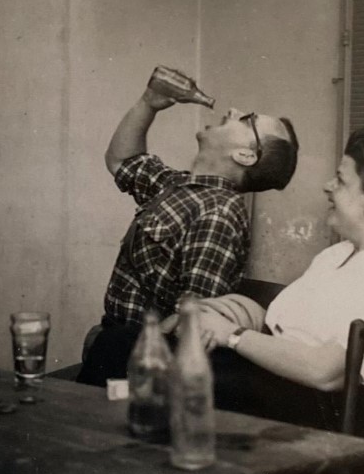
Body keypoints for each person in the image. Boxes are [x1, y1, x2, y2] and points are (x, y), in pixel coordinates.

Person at [197, 126, 364, 438]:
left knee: (181, 375)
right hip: (300, 395)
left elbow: (326, 372)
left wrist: (234, 336)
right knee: (149, 347)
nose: (327, 186)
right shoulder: (338, 254)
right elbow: (293, 331)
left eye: (341, 180)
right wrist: (242, 313)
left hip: (339, 418)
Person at [76, 79, 299, 386]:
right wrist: (148, 103)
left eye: (247, 120)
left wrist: (116, 346)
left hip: (136, 360)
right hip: (113, 344)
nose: (233, 110)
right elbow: (121, 161)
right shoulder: (180, 187)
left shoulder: (219, 213)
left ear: (246, 156)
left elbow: (191, 324)